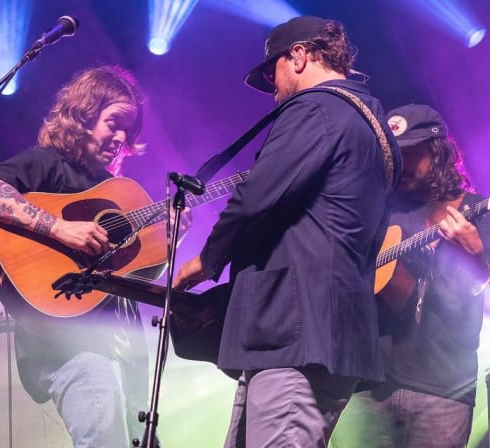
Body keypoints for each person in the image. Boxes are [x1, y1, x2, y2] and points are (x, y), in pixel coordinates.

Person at [172, 15, 402, 448]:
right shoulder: (374, 126)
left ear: (297, 56)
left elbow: (256, 195)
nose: (272, 90)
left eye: (271, 72)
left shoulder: (316, 108)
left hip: (297, 340)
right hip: (319, 337)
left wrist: (206, 262)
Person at [0, 65, 185, 447]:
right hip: (68, 346)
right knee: (103, 437)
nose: (120, 138)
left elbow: (132, 276)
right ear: (83, 114)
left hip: (119, 346)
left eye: (128, 132)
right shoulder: (48, 164)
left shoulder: (115, 192)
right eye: (113, 123)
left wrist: (172, 238)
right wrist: (60, 227)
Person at [337, 104, 490, 447]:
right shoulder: (375, 211)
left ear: (439, 152)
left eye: (412, 154)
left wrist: (473, 254)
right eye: (395, 156)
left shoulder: (473, 208)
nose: (402, 166)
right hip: (367, 384)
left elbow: (482, 283)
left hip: (441, 387)